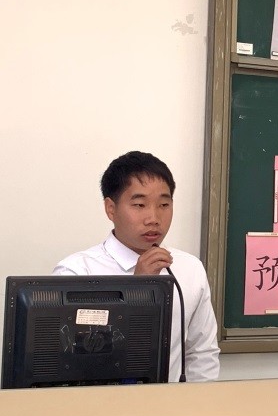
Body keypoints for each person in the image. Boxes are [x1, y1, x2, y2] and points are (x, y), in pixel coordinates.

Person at [54, 151, 220, 382]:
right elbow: (76, 359)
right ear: (111, 209)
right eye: (140, 205)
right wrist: (138, 290)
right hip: (100, 402)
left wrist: (196, 401)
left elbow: (201, 353)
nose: (153, 218)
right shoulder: (77, 272)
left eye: (164, 204)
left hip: (173, 402)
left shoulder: (189, 268)